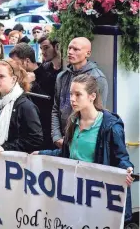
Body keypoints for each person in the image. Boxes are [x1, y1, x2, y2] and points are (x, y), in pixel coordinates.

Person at [33, 74, 134, 222]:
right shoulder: (73, 121)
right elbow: (67, 154)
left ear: (92, 96)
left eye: (78, 94)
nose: (72, 99)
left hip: (97, 195)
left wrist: (127, 170)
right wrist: (41, 153)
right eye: (71, 94)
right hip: (75, 193)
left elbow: (121, 158)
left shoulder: (110, 126)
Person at [0, 58, 43, 154]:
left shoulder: (25, 106)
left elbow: (35, 139)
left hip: (9, 164)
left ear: (13, 79)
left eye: (1, 76)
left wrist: (5, 148)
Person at [52, 37, 108, 149]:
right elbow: (56, 108)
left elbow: (99, 113)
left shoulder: (97, 78)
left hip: (83, 141)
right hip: (62, 140)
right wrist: (56, 136)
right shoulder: (62, 77)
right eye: (69, 48)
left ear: (88, 53)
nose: (70, 52)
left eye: (76, 49)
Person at [9, 43, 61, 149]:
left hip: (43, 136)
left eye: (16, 64)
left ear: (27, 61)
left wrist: (34, 85)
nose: (13, 68)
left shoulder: (49, 76)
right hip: (21, 134)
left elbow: (50, 106)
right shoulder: (15, 78)